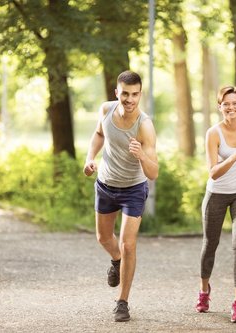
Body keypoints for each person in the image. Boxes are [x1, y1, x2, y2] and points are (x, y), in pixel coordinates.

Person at [83, 70, 159, 322]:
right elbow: (99, 134)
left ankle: (122, 302)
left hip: (134, 190)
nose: (130, 99)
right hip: (105, 184)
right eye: (125, 94)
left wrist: (141, 156)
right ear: (117, 93)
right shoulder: (105, 110)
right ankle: (115, 260)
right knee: (104, 238)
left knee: (128, 244)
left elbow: (154, 172)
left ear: (140, 94)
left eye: (135, 94)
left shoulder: (145, 126)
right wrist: (90, 158)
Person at [195, 86, 236, 323]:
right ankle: (203, 291)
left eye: (235, 103)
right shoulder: (213, 133)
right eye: (225, 104)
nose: (230, 107)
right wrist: (232, 156)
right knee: (210, 244)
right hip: (217, 195)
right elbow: (213, 173)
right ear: (219, 107)